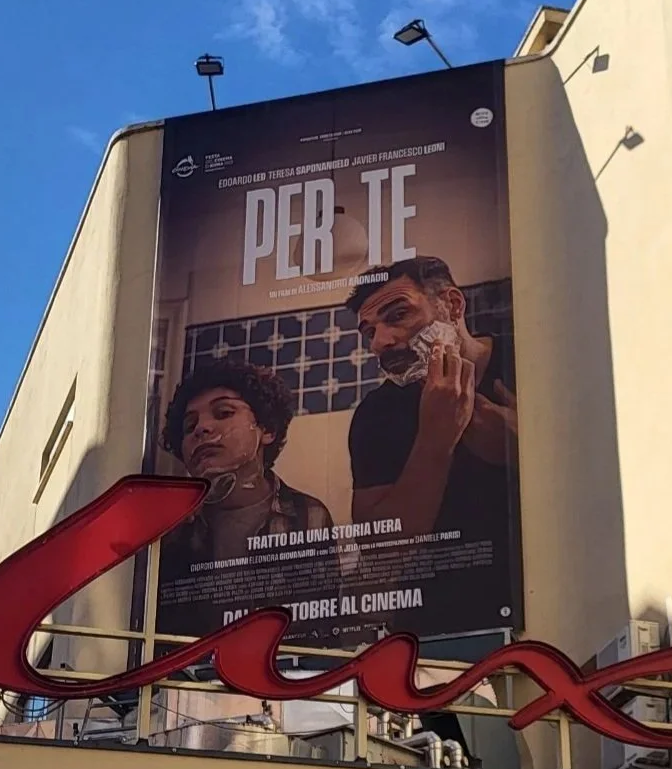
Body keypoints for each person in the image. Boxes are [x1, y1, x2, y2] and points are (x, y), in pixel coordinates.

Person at [341, 257, 518, 619]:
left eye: (397, 315)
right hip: (434, 626)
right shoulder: (376, 415)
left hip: (545, 603)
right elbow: (380, 552)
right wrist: (436, 441)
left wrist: (530, 452)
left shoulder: (530, 361)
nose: (380, 344)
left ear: (452, 305)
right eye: (369, 332)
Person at [157, 358, 336, 585]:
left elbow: (317, 612)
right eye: (189, 427)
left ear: (267, 429)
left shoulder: (309, 515)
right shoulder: (172, 529)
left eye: (223, 413)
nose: (201, 428)